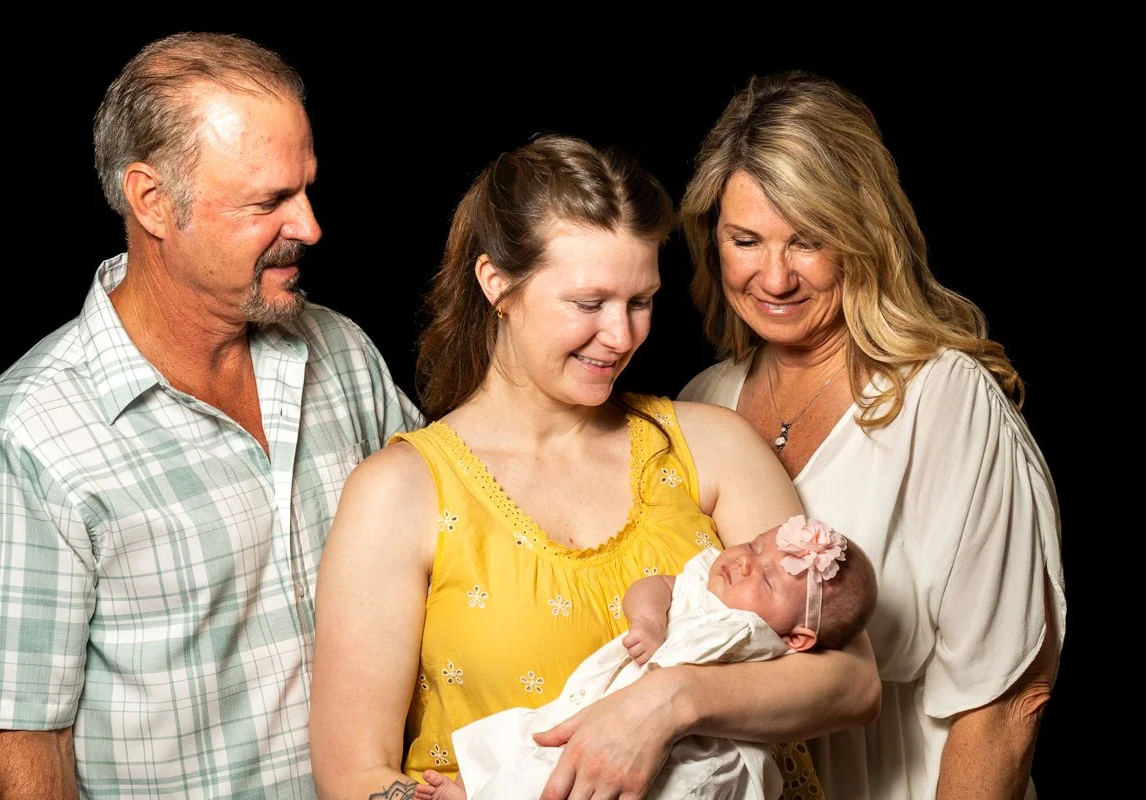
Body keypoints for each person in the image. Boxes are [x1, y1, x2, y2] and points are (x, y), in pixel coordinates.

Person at [309, 134, 881, 800]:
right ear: (498, 284)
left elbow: (854, 683)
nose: (621, 336)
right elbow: (353, 775)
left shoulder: (712, 446)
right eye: (589, 303)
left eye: (641, 302)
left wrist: (670, 702)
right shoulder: (400, 492)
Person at [0, 32, 420, 799]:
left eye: (306, 189)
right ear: (153, 201)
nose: (309, 226)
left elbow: (468, 534)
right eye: (268, 201)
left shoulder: (341, 353)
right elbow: (24, 752)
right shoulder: (20, 439)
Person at [676, 71, 1064, 799]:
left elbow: (1007, 703)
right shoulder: (699, 404)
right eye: (746, 240)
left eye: (808, 240)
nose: (775, 278)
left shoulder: (944, 400)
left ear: (865, 235)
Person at [415, 515, 878, 800]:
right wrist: (648, 622)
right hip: (605, 700)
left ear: (797, 638)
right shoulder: (703, 580)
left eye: (770, 581)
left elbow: (849, 688)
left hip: (696, 754)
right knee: (539, 741)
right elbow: (652, 586)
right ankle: (479, 791)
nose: (744, 563)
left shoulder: (763, 642)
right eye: (755, 546)